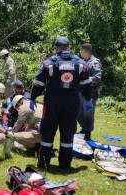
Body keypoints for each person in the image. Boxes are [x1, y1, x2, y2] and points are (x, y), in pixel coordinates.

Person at [30, 36, 92, 169]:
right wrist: (88, 99)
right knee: (68, 132)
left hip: (52, 103)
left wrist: (33, 97)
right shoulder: (81, 63)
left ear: (56, 47)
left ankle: (44, 162)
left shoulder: (49, 63)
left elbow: (39, 83)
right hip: (72, 104)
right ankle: (65, 164)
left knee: (47, 132)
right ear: (68, 47)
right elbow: (87, 84)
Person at [78, 43, 102, 140]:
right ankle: (83, 129)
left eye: (81, 50)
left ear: (85, 51)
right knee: (80, 112)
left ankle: (87, 133)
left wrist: (85, 80)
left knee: (88, 113)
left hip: (91, 92)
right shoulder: (84, 61)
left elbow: (97, 77)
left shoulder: (94, 62)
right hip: (83, 91)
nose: (80, 52)